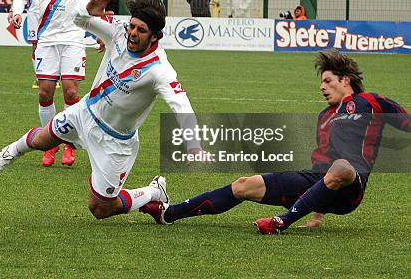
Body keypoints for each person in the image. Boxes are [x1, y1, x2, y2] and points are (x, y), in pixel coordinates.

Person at [140, 49, 411, 235]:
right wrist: (318, 213)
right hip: (319, 180)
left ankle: (281, 222)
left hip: (352, 186)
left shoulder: (372, 101)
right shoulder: (325, 116)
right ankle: (169, 213)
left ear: (346, 80)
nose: (322, 87)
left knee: (342, 165)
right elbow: (323, 163)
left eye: (327, 81)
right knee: (243, 185)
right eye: (322, 82)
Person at [0, 0, 200, 221]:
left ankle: (153, 192)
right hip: (85, 112)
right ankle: (11, 152)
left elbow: (181, 103)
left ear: (155, 37)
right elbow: (78, 19)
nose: (133, 34)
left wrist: (193, 142)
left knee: (100, 209)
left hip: (115, 141)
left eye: (141, 30)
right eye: (133, 26)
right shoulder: (119, 31)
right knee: (42, 139)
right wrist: (88, 9)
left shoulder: (160, 70)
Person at [8, 0, 100, 168]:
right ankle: (50, 143)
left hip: (73, 39)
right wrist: (17, 12)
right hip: (46, 40)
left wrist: (103, 34)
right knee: (44, 92)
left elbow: (96, 3)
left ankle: (70, 144)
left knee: (70, 91)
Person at [8, 0, 46, 92]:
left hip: (48, 13)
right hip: (33, 14)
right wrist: (14, 10)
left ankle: (52, 77)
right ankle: (38, 77)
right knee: (35, 46)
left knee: (49, 45)